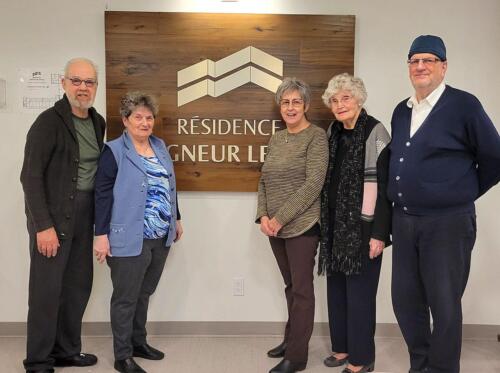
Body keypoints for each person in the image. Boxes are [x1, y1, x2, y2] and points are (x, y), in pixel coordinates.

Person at [389, 35, 500, 373]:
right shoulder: (401, 110)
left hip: (447, 223)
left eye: (429, 60)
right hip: (404, 220)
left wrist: (458, 192)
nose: (420, 66)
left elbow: (495, 157)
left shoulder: (464, 105)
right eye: (414, 60)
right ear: (408, 67)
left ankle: (442, 369)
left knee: (444, 303)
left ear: (443, 66)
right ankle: (420, 364)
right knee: (406, 302)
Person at [20, 58, 105, 373]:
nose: (83, 88)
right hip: (54, 218)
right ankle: (39, 360)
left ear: (95, 87)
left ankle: (67, 350)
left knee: (77, 287)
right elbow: (30, 178)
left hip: (86, 215)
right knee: (46, 291)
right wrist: (43, 226)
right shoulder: (48, 122)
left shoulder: (97, 121)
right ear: (64, 83)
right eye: (77, 81)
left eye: (89, 82)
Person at [93, 92, 183, 373]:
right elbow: (102, 194)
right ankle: (122, 356)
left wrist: (176, 218)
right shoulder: (114, 151)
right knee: (126, 297)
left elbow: (169, 184)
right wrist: (101, 234)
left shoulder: (159, 146)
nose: (145, 123)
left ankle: (138, 342)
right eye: (138, 117)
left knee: (144, 292)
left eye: (149, 117)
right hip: (128, 237)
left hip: (160, 237)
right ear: (125, 120)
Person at [318, 73, 391, 373]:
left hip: (364, 226)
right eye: (334, 100)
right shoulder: (332, 132)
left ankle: (362, 358)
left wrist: (379, 234)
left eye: (345, 98)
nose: (340, 104)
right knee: (336, 290)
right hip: (335, 225)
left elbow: (387, 190)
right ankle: (342, 348)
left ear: (359, 99)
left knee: (360, 296)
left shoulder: (376, 131)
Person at [256, 77, 328, 373]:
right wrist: (263, 216)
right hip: (274, 228)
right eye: (285, 102)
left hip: (302, 226)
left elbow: (314, 184)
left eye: (296, 101)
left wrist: (279, 218)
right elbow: (263, 179)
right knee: (291, 287)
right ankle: (291, 339)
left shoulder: (317, 137)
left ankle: (297, 357)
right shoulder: (277, 138)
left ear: (307, 105)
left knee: (302, 290)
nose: (290, 107)